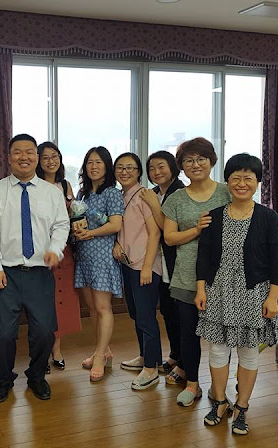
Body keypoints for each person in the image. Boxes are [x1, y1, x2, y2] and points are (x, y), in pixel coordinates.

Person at [162, 137, 278, 407]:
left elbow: (259, 224)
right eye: (188, 160)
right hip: (197, 279)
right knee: (195, 337)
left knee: (236, 342)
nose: (195, 164)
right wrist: (197, 230)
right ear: (181, 165)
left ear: (212, 162)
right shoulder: (180, 200)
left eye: (201, 159)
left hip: (243, 286)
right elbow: (172, 239)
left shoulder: (230, 192)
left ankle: (227, 395)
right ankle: (198, 386)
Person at [195, 153, 278, 435]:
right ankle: (220, 401)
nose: (241, 183)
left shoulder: (269, 218)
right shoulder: (213, 217)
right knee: (218, 349)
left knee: (248, 351)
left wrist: (273, 297)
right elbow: (203, 256)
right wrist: (201, 289)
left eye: (248, 178)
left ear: (257, 182)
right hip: (218, 290)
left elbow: (277, 262)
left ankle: (242, 407)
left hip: (254, 293)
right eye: (236, 178)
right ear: (228, 181)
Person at [0, 133, 69, 403]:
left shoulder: (51, 193)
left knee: (44, 331)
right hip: (5, 273)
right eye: (17, 152)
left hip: (40, 273)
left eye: (29, 152)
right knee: (3, 334)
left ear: (37, 157)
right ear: (8, 158)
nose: (24, 157)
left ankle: (37, 376)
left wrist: (55, 249)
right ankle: (3, 379)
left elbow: (61, 225)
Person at [73, 146, 124, 383]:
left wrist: (90, 234)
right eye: (90, 162)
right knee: (92, 308)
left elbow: (115, 225)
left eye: (99, 162)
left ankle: (100, 357)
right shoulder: (82, 194)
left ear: (107, 166)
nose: (94, 166)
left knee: (103, 308)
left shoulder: (112, 193)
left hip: (103, 256)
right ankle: (102, 351)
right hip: (84, 256)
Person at [113, 152, 162, 390]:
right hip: (128, 263)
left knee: (146, 316)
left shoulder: (144, 195)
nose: (125, 172)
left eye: (130, 167)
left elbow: (155, 232)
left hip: (145, 265)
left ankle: (151, 369)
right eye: (120, 167)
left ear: (139, 172)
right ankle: (145, 356)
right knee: (135, 313)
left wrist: (147, 267)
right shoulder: (121, 195)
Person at [36, 141, 82, 371]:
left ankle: (57, 349)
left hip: (64, 250)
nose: (50, 161)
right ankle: (42, 352)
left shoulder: (65, 185)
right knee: (44, 301)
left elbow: (72, 217)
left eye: (54, 156)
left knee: (62, 299)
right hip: (40, 250)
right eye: (45, 157)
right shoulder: (34, 185)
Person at [139, 151, 184, 379]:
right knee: (167, 311)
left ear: (173, 167)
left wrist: (153, 204)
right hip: (163, 263)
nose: (156, 172)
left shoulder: (180, 192)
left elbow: (167, 229)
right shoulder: (156, 192)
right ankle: (175, 354)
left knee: (181, 314)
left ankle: (184, 363)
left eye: (161, 166)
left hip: (180, 262)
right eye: (152, 168)